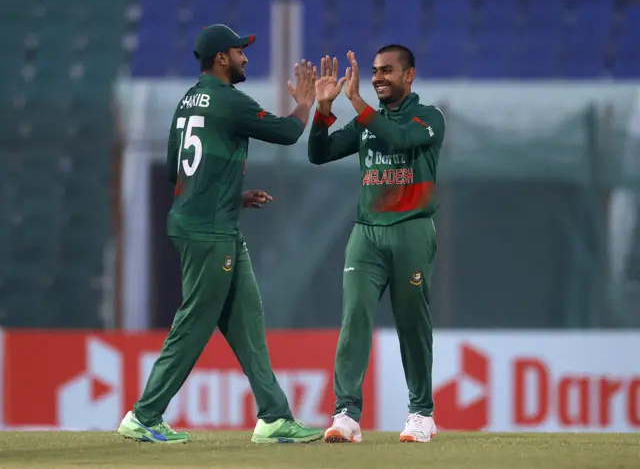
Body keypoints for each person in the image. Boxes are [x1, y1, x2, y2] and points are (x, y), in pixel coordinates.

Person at [117, 24, 323, 444]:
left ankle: (274, 417)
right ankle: (144, 415)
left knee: (247, 321)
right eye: (239, 51)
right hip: (208, 230)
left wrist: (233, 193)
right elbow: (286, 133)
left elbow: (179, 169)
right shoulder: (229, 101)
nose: (246, 57)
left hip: (210, 221)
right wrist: (304, 105)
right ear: (220, 58)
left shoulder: (186, 102)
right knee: (194, 322)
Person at [308, 46, 445, 443]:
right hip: (366, 233)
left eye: (387, 71)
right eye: (373, 71)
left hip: (411, 230)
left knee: (412, 324)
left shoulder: (429, 117)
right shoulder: (370, 121)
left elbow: (401, 140)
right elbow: (320, 154)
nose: (378, 77)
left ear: (410, 76)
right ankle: (347, 414)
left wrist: (357, 104)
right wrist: (322, 109)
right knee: (354, 319)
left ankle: (421, 413)